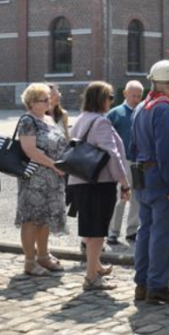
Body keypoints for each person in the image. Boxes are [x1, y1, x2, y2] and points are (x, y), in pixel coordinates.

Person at [131, 60, 169, 305]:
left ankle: (142, 283)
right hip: (160, 177)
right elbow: (167, 153)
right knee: (163, 234)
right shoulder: (162, 108)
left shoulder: (141, 106)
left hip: (143, 175)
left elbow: (132, 146)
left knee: (146, 231)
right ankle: (158, 285)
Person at [68, 82, 131, 291]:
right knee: (97, 231)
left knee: (89, 227)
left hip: (80, 180)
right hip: (99, 182)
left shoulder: (81, 118)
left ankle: (95, 266)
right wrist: (124, 182)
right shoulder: (100, 122)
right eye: (110, 97)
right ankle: (91, 277)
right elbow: (112, 154)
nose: (111, 101)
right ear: (101, 99)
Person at [16, 83, 68, 276]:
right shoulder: (28, 121)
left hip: (53, 178)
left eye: (49, 98)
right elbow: (29, 149)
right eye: (44, 99)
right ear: (31, 103)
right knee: (31, 219)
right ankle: (30, 261)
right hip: (34, 178)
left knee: (45, 218)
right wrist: (53, 164)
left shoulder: (48, 119)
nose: (49, 101)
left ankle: (43, 256)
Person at [107, 80, 144, 246]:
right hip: (123, 161)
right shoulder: (116, 113)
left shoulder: (143, 112)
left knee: (137, 198)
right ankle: (112, 232)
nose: (136, 99)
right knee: (119, 197)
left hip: (140, 162)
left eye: (139, 96)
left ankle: (132, 231)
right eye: (133, 95)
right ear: (125, 94)